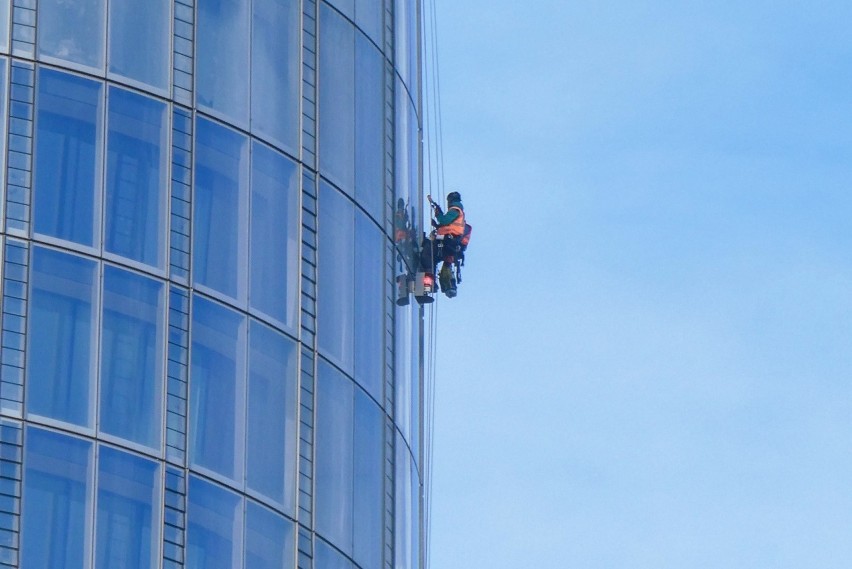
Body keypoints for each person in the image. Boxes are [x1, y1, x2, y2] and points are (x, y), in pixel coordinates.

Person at [420, 191, 466, 295]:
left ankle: (428, 286)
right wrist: (437, 226)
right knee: (433, 260)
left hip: (446, 242)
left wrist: (438, 214)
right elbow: (448, 226)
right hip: (449, 244)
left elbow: (444, 220)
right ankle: (428, 287)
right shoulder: (460, 214)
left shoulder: (455, 210)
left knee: (427, 254)